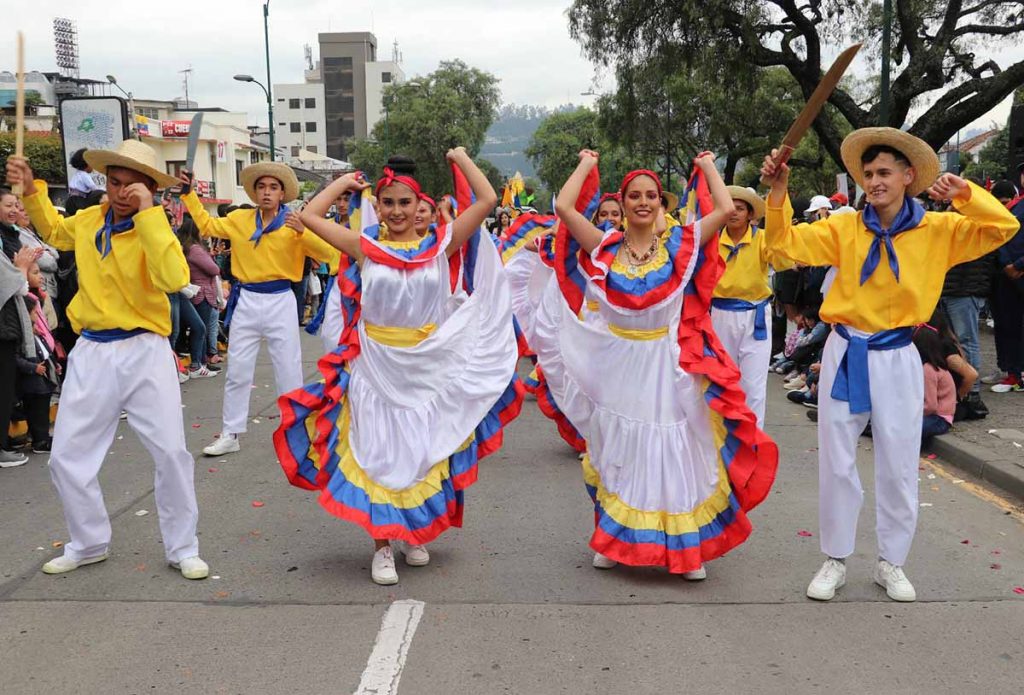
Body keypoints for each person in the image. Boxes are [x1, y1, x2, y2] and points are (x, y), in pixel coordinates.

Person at [761, 127, 1019, 603]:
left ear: (908, 176)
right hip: (845, 350)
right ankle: (835, 558)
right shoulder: (843, 228)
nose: (875, 181)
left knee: (899, 460)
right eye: (868, 173)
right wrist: (777, 193)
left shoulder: (938, 230)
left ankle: (891, 561)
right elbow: (781, 249)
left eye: (884, 172)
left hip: (899, 353)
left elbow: (1003, 228)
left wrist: (965, 193)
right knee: (837, 459)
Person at [275, 150, 522, 586]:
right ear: (378, 206)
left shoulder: (440, 245)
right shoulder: (365, 247)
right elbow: (310, 216)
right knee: (379, 455)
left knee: (421, 453)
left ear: (418, 203)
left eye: (404, 202)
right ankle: (383, 545)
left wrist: (460, 157)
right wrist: (343, 182)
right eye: (387, 203)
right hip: (375, 366)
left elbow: (486, 200)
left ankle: (412, 532)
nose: (396, 211)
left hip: (426, 363)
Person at [532, 150, 778, 579]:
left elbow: (724, 210)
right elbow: (565, 208)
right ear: (622, 202)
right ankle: (613, 536)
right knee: (617, 448)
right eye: (634, 196)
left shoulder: (679, 246)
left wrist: (707, 167)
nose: (643, 202)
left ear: (661, 204)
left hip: (665, 363)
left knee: (673, 448)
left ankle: (684, 549)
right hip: (616, 363)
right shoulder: (605, 246)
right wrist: (587, 164)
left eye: (651, 196)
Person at [6, 139, 209, 579]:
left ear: (150, 189)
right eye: (114, 182)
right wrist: (32, 189)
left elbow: (174, 277)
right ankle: (88, 542)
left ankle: (183, 547)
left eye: (132, 186)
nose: (120, 192)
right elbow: (54, 232)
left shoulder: (155, 227)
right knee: (66, 456)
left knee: (171, 453)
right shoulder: (89, 219)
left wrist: (149, 213)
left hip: (145, 349)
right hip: (93, 350)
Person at [178, 162, 335, 457]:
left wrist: (304, 232)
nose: (266, 192)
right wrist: (189, 194)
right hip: (247, 298)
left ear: (282, 194)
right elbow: (208, 225)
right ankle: (231, 433)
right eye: (261, 187)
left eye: (273, 187)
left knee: (288, 369)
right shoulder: (240, 218)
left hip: (280, 298)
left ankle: (296, 432)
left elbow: (329, 254)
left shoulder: (294, 223)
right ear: (254, 192)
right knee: (238, 370)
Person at [711, 186, 794, 427]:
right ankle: (723, 436)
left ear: (750, 213)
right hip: (720, 315)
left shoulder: (763, 238)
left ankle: (753, 438)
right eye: (731, 208)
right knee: (722, 381)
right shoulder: (713, 240)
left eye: (740, 208)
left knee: (754, 385)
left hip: (755, 316)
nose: (734, 213)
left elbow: (783, 262)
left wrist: (780, 236)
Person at [989, 178, 1024, 392]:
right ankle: (1009, 370)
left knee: (1016, 329)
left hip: (1018, 273)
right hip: (1004, 276)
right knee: (1005, 326)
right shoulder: (1012, 208)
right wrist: (1007, 265)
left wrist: (1018, 265)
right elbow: (999, 238)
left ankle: (1017, 375)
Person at [16, 289, 59, 454]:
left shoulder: (35, 331)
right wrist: (33, 367)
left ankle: (43, 437)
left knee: (42, 409)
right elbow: (16, 358)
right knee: (36, 411)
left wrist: (54, 363)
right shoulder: (22, 335)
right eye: (34, 312)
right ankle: (40, 441)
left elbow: (45, 349)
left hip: (42, 377)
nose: (37, 315)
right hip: (32, 380)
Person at [179, 217, 223, 369]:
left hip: (195, 291)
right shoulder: (195, 249)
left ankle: (202, 361)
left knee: (200, 328)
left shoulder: (186, 248)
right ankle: (200, 362)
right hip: (202, 293)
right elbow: (214, 269)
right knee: (201, 328)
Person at [913, 324, 956, 443]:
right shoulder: (935, 366)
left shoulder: (928, 370)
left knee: (907, 429)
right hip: (938, 416)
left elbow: (930, 406)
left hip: (939, 418)